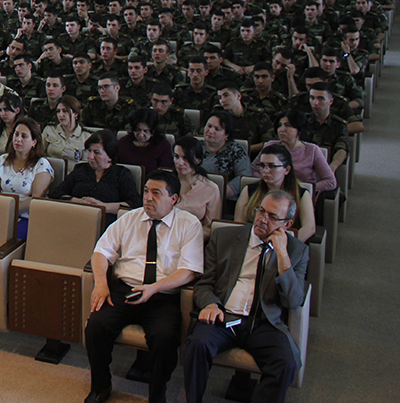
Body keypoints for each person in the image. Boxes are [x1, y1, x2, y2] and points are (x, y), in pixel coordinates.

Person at [84, 169, 205, 403]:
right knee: (96, 325)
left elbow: (189, 270)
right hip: (125, 290)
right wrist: (101, 284)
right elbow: (101, 252)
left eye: (156, 193)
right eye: (146, 191)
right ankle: (101, 385)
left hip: (163, 296)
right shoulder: (129, 218)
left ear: (173, 199)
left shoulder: (189, 224)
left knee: (165, 337)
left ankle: (157, 394)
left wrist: (154, 288)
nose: (148, 197)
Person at [183, 190, 309, 403]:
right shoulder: (225, 237)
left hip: (264, 323)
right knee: (197, 344)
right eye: (261, 211)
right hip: (224, 317)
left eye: (272, 216)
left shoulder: (297, 251)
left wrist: (282, 255)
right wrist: (211, 304)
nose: (262, 219)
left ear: (287, 225)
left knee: (285, 363)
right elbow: (204, 284)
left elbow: (293, 301)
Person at [234, 144, 316, 243]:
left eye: (272, 166)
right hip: (252, 243)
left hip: (284, 243)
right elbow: (239, 225)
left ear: (287, 170)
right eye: (262, 166)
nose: (265, 171)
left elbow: (309, 228)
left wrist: (287, 246)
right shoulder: (248, 190)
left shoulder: (302, 194)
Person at [49, 130, 140, 215]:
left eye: (97, 152)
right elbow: (56, 194)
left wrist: (103, 207)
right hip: (76, 216)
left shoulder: (121, 174)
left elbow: (134, 203)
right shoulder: (80, 169)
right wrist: (78, 201)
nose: (90, 156)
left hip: (108, 220)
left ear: (110, 156)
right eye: (89, 151)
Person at [0, 116, 53, 238]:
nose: (18, 139)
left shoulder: (41, 165)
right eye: (16, 134)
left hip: (27, 216)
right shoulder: (1, 160)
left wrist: (12, 210)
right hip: (1, 212)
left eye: (24, 136)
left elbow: (36, 200)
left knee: (4, 238)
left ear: (34, 142)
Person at [264, 109, 336, 195]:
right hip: (271, 192)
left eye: (287, 125)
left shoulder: (312, 150)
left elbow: (330, 182)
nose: (281, 129)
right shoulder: (270, 146)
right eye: (279, 125)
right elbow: (254, 171)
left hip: (300, 195)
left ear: (299, 129)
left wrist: (306, 189)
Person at [173, 135, 222, 238]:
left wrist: (186, 239)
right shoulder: (164, 182)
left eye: (186, 158)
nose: (180, 163)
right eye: (177, 157)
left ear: (198, 160)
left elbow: (209, 228)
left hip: (193, 238)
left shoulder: (211, 189)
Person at [200, 109, 253, 200]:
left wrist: (223, 191)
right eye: (209, 126)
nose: (211, 131)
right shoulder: (195, 146)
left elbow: (244, 177)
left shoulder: (236, 150)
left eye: (217, 129)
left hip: (224, 198)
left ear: (226, 134)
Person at [117, 109, 174, 177]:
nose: (141, 135)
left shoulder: (162, 145)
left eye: (146, 131)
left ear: (153, 130)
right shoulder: (123, 142)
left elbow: (165, 172)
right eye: (137, 130)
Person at [42, 95, 87, 162]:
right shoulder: (49, 130)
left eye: (65, 111)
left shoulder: (86, 136)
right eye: (58, 111)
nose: (60, 115)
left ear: (75, 114)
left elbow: (86, 164)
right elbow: (39, 153)